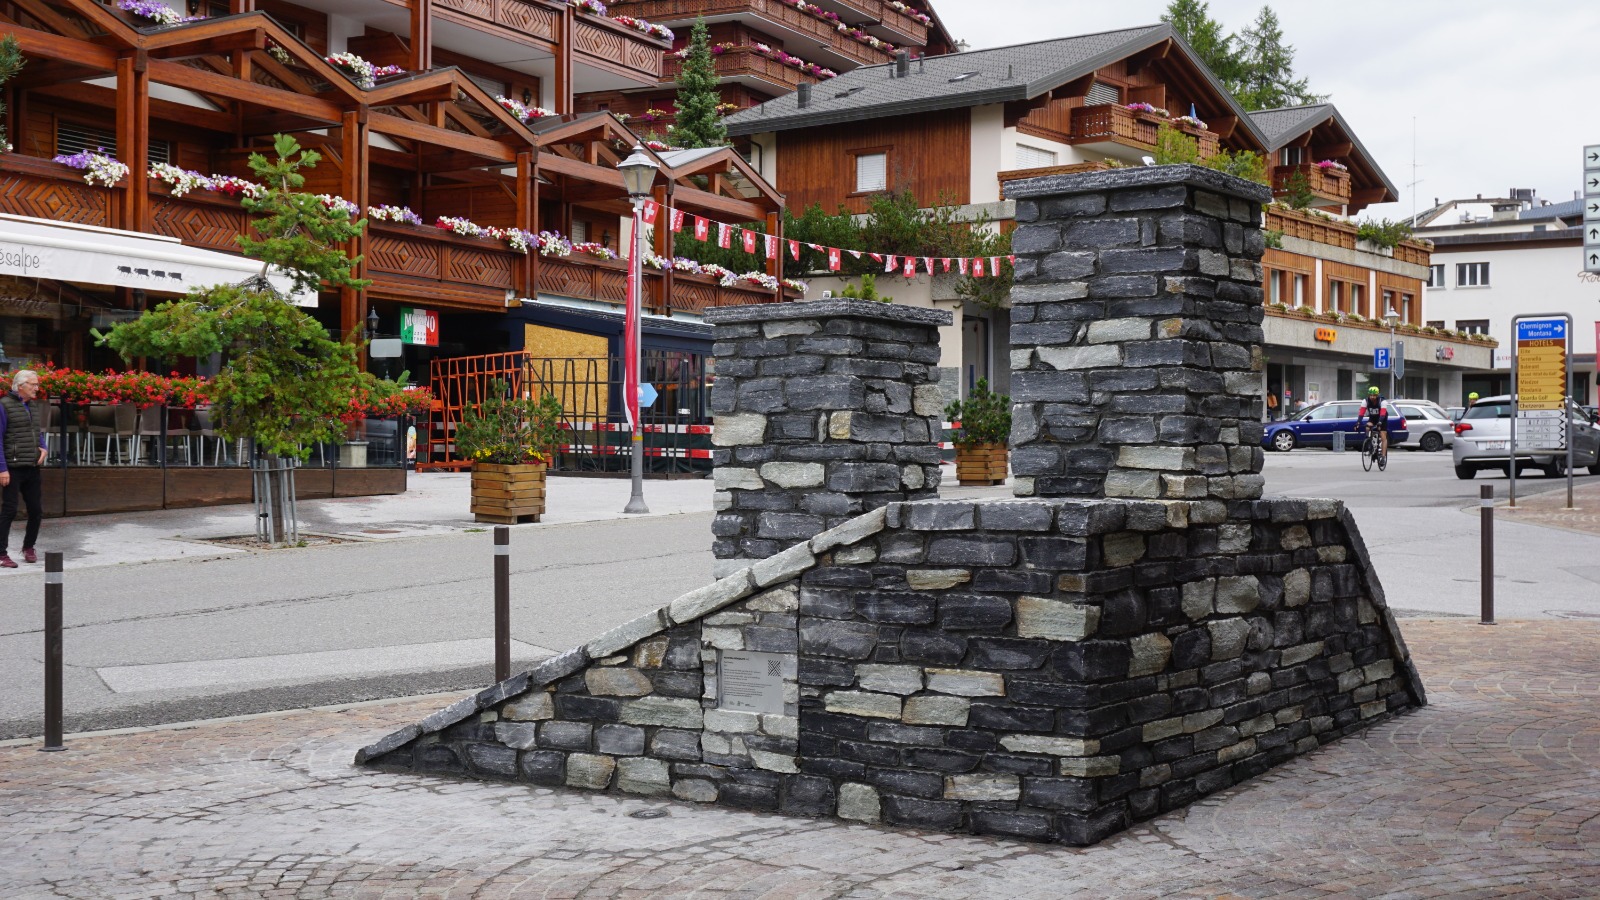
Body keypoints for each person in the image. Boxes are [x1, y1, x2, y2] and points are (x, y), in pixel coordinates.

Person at [0, 369, 48, 568]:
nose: (37, 388)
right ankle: (1, 553)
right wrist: (2, 469)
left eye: (37, 384)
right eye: (33, 384)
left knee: (36, 510)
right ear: (20, 386)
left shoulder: (33, 406)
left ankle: (29, 547)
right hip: (12, 467)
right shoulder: (4, 405)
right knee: (9, 510)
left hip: (31, 466)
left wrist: (43, 447)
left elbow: (36, 431)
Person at [1363, 385, 1390, 458]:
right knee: (1367, 427)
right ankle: (1369, 444)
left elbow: (1383, 413)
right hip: (1372, 418)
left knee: (1383, 435)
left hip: (1382, 418)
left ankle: (1383, 456)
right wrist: (1358, 422)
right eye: (1371, 395)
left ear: (1377, 395)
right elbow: (1361, 413)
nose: (1372, 397)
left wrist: (1380, 422)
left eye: (1374, 395)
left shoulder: (1382, 401)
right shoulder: (1366, 401)